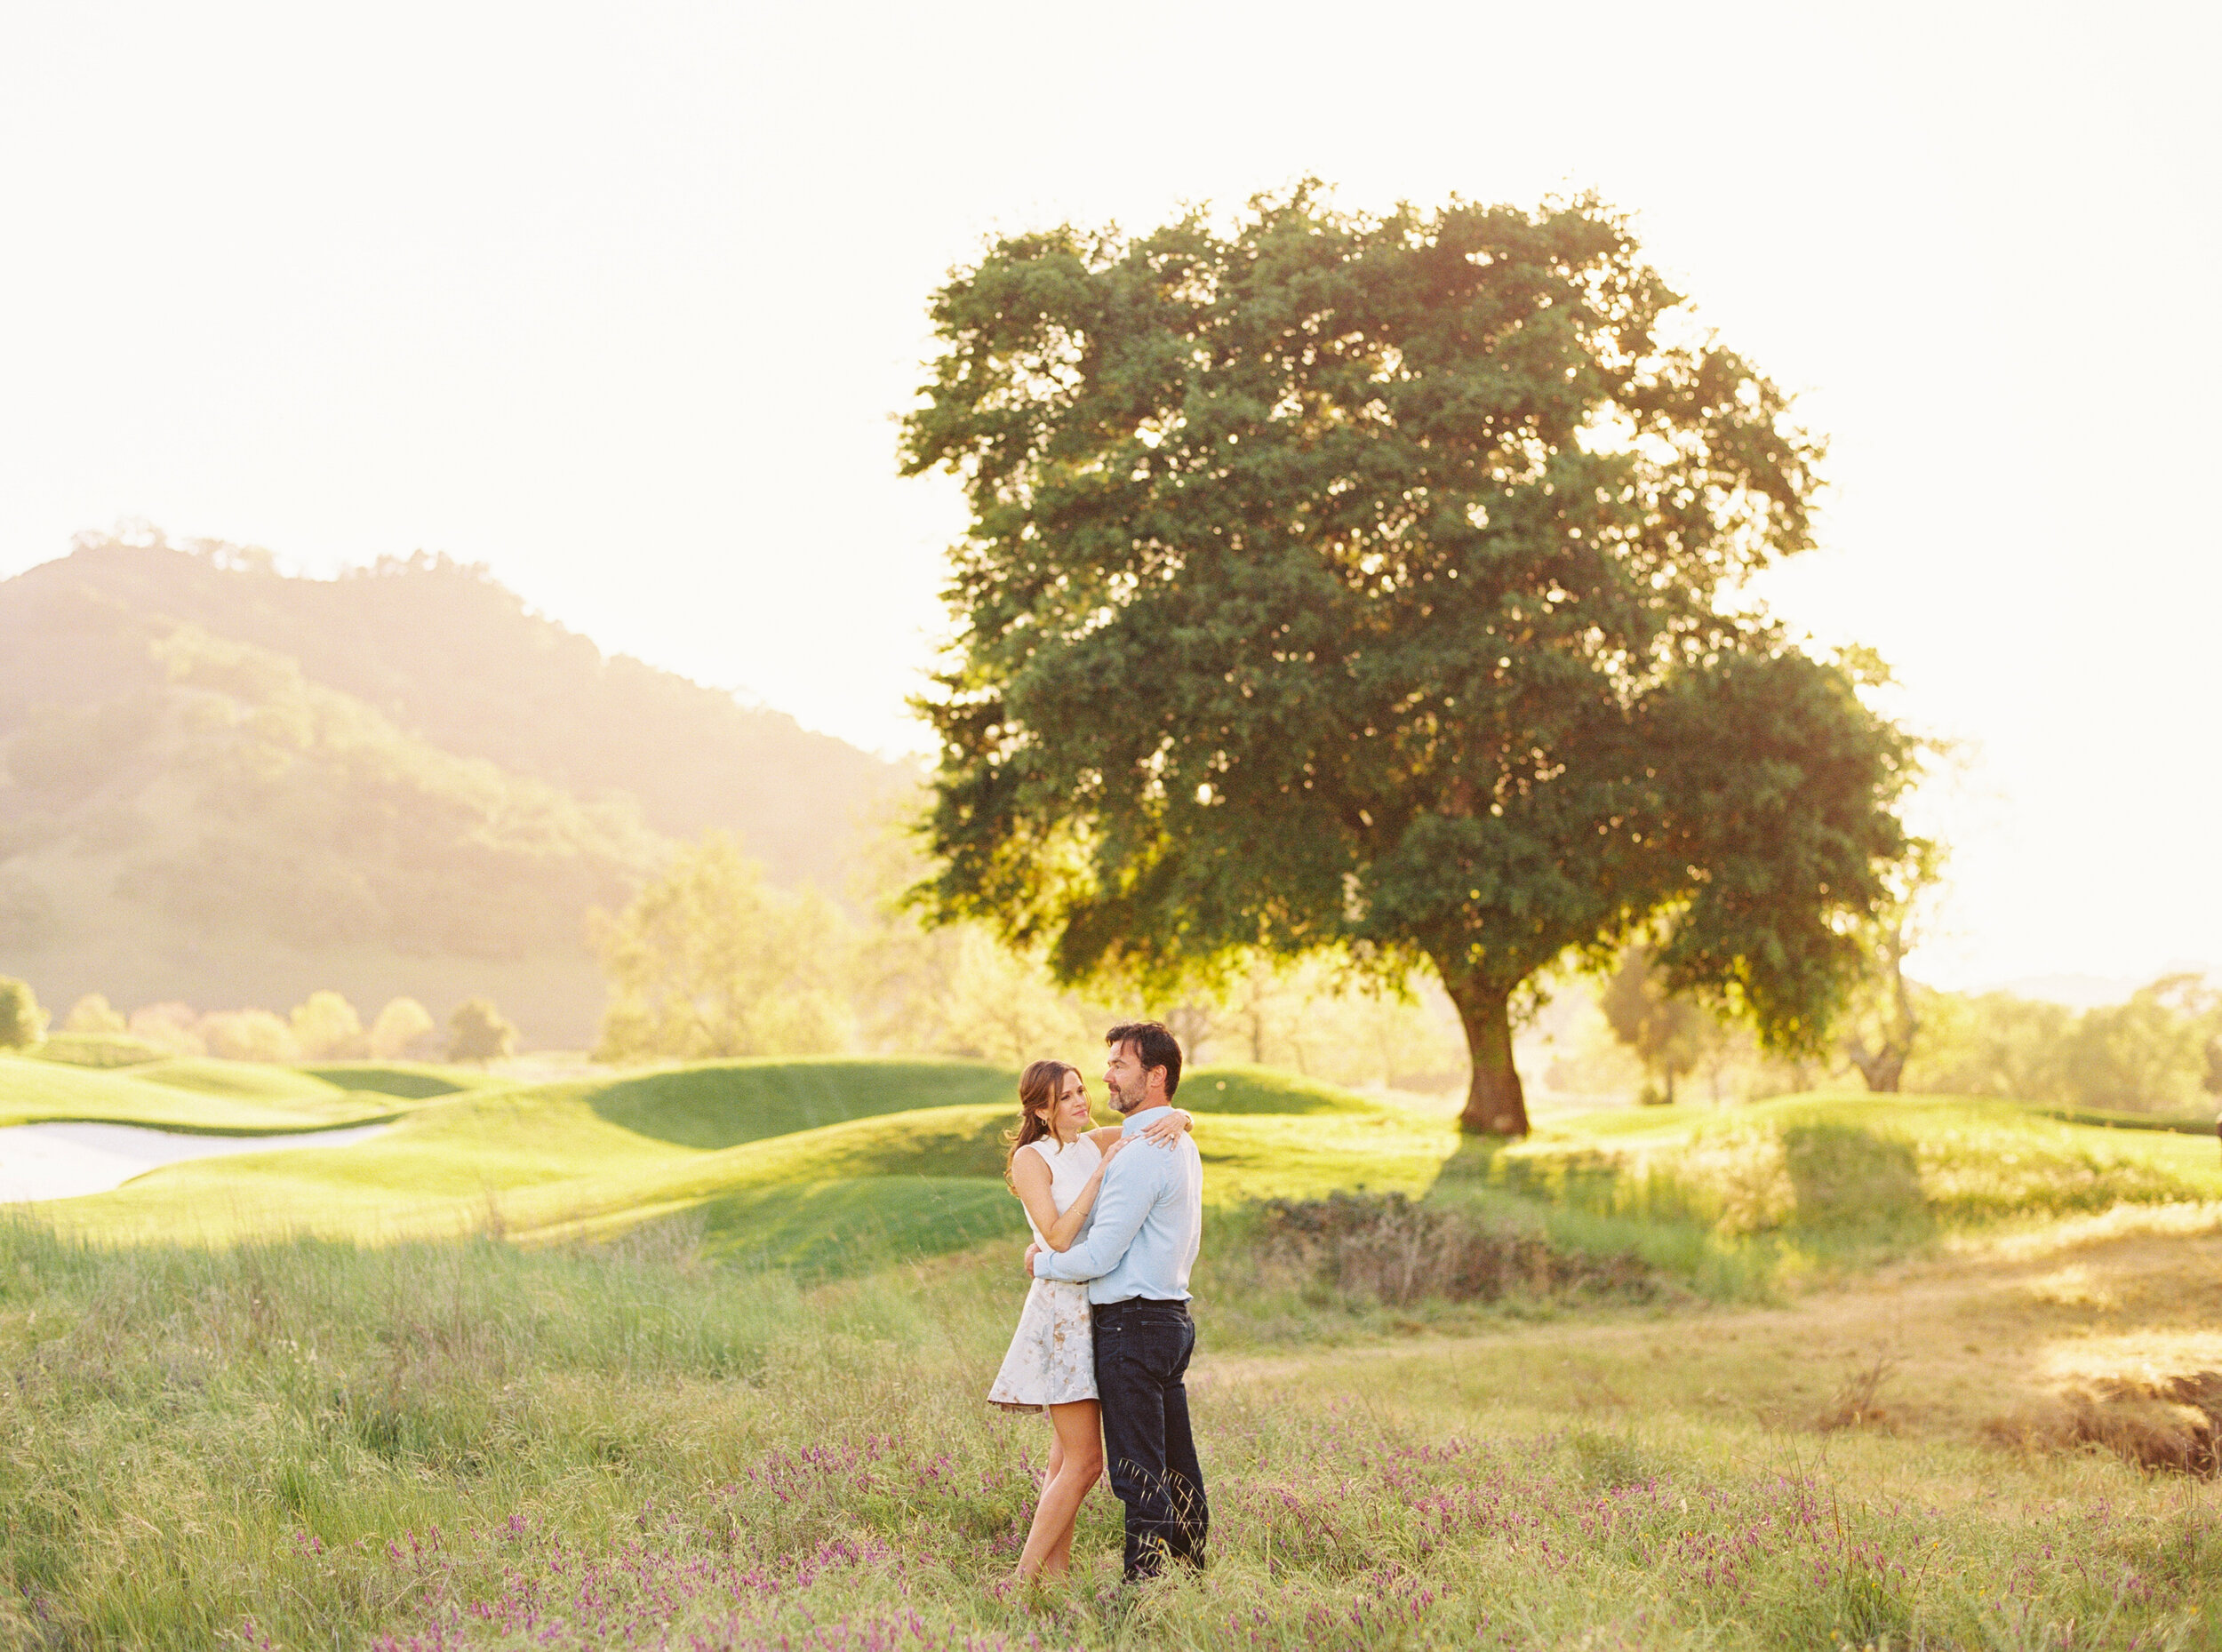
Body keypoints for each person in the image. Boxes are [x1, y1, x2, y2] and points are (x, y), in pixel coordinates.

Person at [987, 1058, 1192, 1581]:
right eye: (1067, 1097)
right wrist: (1101, 1174)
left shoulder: (1093, 1140)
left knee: (1063, 1463)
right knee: (1085, 1464)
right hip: (1061, 1311)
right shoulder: (1033, 1159)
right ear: (1040, 1108)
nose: (1082, 1101)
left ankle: (1053, 1584)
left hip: (1096, 1304)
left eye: (1082, 1090)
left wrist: (1182, 1116)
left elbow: (1151, 1120)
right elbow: (1056, 1238)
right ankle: (1020, 1581)